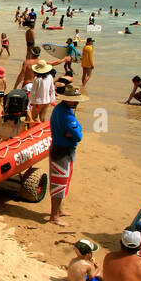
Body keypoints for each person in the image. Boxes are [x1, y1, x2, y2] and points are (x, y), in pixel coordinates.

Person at [47, 84, 86, 224]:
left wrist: (76, 130)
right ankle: (54, 216)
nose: (76, 103)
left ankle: (59, 210)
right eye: (74, 100)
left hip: (63, 149)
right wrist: (76, 131)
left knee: (64, 180)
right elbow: (78, 135)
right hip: (61, 150)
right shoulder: (66, 115)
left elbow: (76, 130)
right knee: (59, 182)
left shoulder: (62, 109)